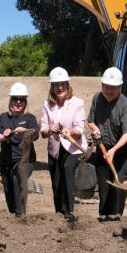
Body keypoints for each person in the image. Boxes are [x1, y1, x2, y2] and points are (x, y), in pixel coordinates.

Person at [87, 67, 127, 221]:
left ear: (119, 88)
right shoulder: (97, 98)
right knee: (104, 187)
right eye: (106, 87)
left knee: (118, 188)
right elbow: (91, 121)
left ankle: (116, 219)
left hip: (122, 152)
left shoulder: (126, 106)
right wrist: (95, 130)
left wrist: (114, 150)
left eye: (113, 88)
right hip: (103, 148)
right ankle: (103, 218)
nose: (108, 91)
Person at [40, 67, 86, 222]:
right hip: (54, 148)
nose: (60, 87)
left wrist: (70, 131)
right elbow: (43, 130)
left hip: (73, 147)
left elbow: (80, 129)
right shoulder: (47, 104)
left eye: (62, 84)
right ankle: (59, 211)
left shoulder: (77, 103)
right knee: (56, 180)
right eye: (56, 84)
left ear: (67, 85)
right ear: (52, 87)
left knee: (67, 170)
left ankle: (69, 211)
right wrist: (49, 130)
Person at [0, 82, 38, 217]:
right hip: (6, 160)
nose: (18, 102)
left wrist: (25, 132)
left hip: (24, 160)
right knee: (8, 188)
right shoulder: (3, 117)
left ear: (25, 102)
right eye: (15, 99)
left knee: (17, 180)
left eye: (21, 99)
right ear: (11, 101)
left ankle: (20, 214)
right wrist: (3, 136)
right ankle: (14, 213)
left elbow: (35, 134)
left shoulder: (29, 118)